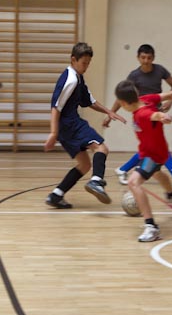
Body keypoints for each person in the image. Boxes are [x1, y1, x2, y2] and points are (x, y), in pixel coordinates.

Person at [114, 80, 172, 242]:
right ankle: (171, 194)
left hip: (153, 155)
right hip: (152, 152)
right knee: (157, 173)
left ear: (122, 103)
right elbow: (171, 94)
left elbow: (155, 115)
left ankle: (151, 227)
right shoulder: (146, 99)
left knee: (133, 183)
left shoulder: (142, 114)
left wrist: (163, 116)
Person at [44, 42, 126, 209]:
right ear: (73, 59)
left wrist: (109, 112)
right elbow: (56, 106)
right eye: (84, 63)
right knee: (101, 148)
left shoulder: (78, 77)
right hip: (70, 124)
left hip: (67, 127)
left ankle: (56, 195)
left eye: (88, 63)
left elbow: (89, 101)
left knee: (85, 165)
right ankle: (96, 181)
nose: (86, 67)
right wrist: (53, 133)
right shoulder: (71, 79)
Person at [103, 44, 172, 188]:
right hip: (144, 115)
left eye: (149, 58)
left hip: (155, 110)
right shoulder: (134, 75)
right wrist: (110, 114)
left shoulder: (160, 70)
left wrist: (170, 102)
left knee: (151, 147)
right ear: (138, 58)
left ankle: (123, 169)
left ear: (153, 58)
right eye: (143, 57)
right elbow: (122, 96)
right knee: (156, 146)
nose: (146, 61)